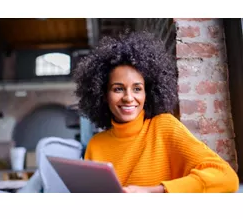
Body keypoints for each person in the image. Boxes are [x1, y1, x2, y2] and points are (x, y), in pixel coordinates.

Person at [73, 31, 239, 193]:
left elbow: (226, 177)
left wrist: (155, 191)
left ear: (148, 93)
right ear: (103, 95)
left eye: (137, 88)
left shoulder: (163, 126)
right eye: (118, 89)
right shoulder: (95, 145)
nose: (128, 98)